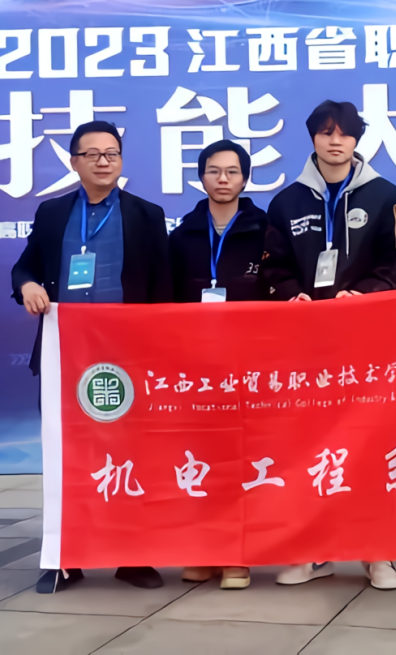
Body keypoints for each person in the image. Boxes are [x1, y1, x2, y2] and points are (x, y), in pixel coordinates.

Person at [10, 120, 173, 595]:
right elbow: (25, 267)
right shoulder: (52, 213)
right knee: (69, 458)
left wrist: (160, 354)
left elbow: (162, 288)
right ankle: (66, 558)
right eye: (93, 154)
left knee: (131, 457)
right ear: (74, 162)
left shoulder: (147, 214)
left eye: (112, 153)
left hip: (128, 359)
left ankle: (132, 556)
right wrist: (27, 285)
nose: (104, 162)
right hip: (67, 358)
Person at [261, 100, 396, 591]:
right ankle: (313, 551)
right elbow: (273, 267)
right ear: (312, 139)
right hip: (306, 345)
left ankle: (377, 553)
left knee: (370, 443)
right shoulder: (286, 202)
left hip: (369, 342)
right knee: (310, 447)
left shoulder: (386, 195)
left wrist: (364, 295)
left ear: (356, 140)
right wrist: (291, 295)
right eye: (326, 132)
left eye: (344, 133)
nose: (335, 141)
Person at [169, 139, 267, 590]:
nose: (223, 179)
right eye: (213, 170)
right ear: (201, 177)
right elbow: (164, 299)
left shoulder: (266, 231)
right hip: (196, 365)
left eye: (232, 171)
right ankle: (205, 549)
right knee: (199, 458)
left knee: (240, 457)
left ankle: (237, 555)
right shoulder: (182, 235)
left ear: (245, 178)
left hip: (248, 361)